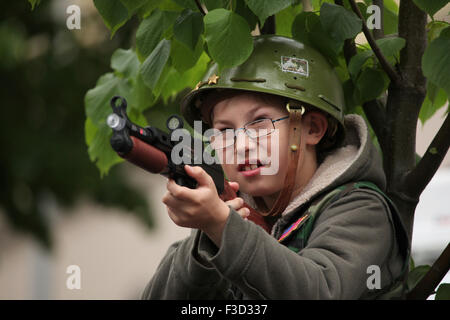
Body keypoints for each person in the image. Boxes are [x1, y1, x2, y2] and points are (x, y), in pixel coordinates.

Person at [141, 35, 409, 299]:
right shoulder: (228, 213)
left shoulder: (362, 209)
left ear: (313, 128)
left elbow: (321, 291)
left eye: (259, 123)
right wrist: (210, 235)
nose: (241, 145)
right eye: (224, 130)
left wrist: (223, 227)